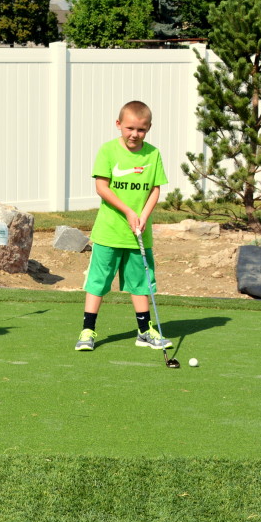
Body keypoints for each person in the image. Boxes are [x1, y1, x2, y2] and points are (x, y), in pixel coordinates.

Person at [75, 100, 173, 352]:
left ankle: (144, 331)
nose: (134, 134)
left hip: (138, 233)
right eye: (129, 128)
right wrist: (129, 211)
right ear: (119, 125)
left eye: (141, 129)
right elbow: (101, 187)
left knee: (141, 283)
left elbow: (155, 189)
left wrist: (143, 215)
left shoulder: (153, 154)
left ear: (148, 128)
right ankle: (88, 330)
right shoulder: (108, 151)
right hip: (109, 232)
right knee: (98, 282)